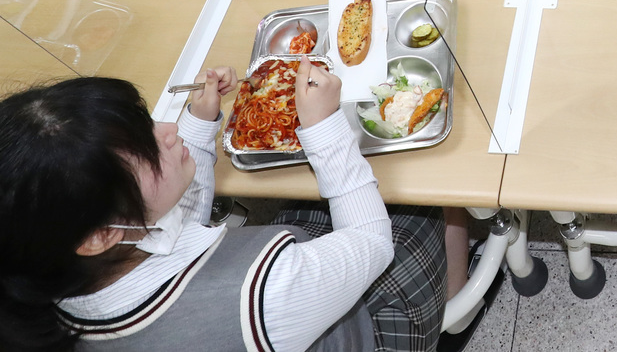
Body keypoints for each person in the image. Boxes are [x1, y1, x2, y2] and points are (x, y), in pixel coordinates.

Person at [0, 65, 472, 352]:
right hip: (362, 333)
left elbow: (175, 229)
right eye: (146, 149)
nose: (167, 131)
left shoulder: (58, 275)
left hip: (280, 291)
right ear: (100, 235)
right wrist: (325, 127)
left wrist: (200, 128)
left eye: (145, 123)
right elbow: (371, 242)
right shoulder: (259, 296)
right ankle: (455, 304)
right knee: (421, 200)